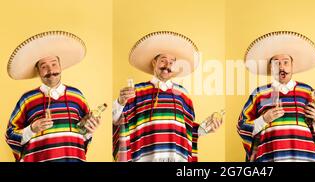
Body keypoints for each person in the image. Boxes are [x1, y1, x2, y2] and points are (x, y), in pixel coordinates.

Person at [112, 31, 223, 162]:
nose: (167, 66)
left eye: (171, 62)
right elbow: (117, 121)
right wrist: (120, 102)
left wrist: (206, 127)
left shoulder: (183, 95)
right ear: (154, 62)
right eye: (163, 60)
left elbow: (188, 131)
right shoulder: (136, 91)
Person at [5, 31, 100, 162]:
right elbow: (10, 135)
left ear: (60, 66)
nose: (50, 70)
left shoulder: (77, 96)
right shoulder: (27, 99)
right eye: (44, 66)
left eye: (54, 64)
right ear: (38, 71)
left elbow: (82, 136)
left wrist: (89, 130)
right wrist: (32, 129)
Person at [237, 31, 315, 162]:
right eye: (276, 63)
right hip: (270, 157)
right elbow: (241, 126)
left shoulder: (308, 92)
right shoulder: (259, 93)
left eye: (285, 62)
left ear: (292, 65)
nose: (281, 67)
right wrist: (264, 119)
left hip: (304, 157)